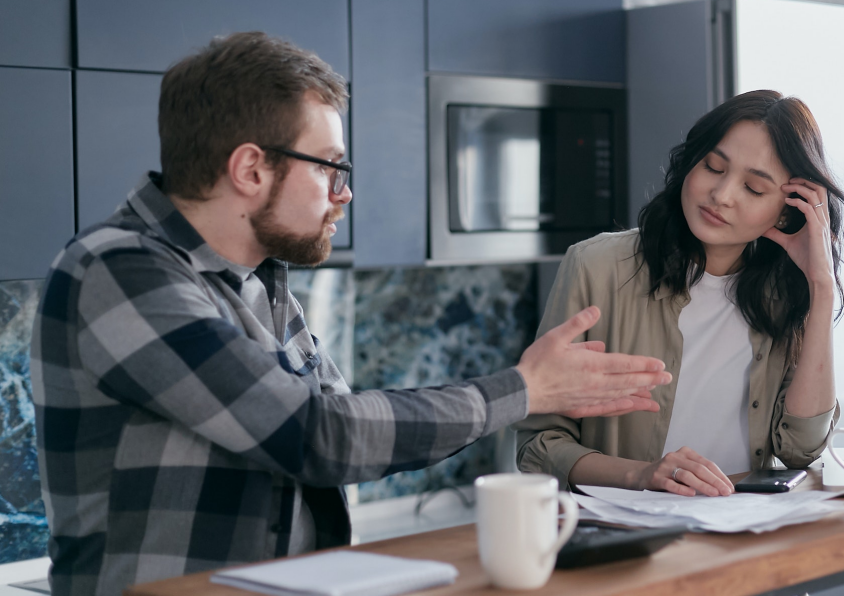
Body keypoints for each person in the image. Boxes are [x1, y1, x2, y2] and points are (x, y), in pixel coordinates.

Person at [30, 32, 674, 596]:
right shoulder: (117, 271)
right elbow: (317, 436)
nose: (346, 193)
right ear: (251, 168)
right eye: (331, 167)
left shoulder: (262, 283)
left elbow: (349, 430)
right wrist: (523, 389)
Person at [516, 90, 844, 499]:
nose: (722, 195)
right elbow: (537, 446)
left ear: (785, 212)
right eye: (713, 167)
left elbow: (801, 449)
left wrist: (821, 286)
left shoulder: (784, 293)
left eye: (753, 188)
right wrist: (643, 475)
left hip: (740, 531)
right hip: (627, 539)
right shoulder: (597, 267)